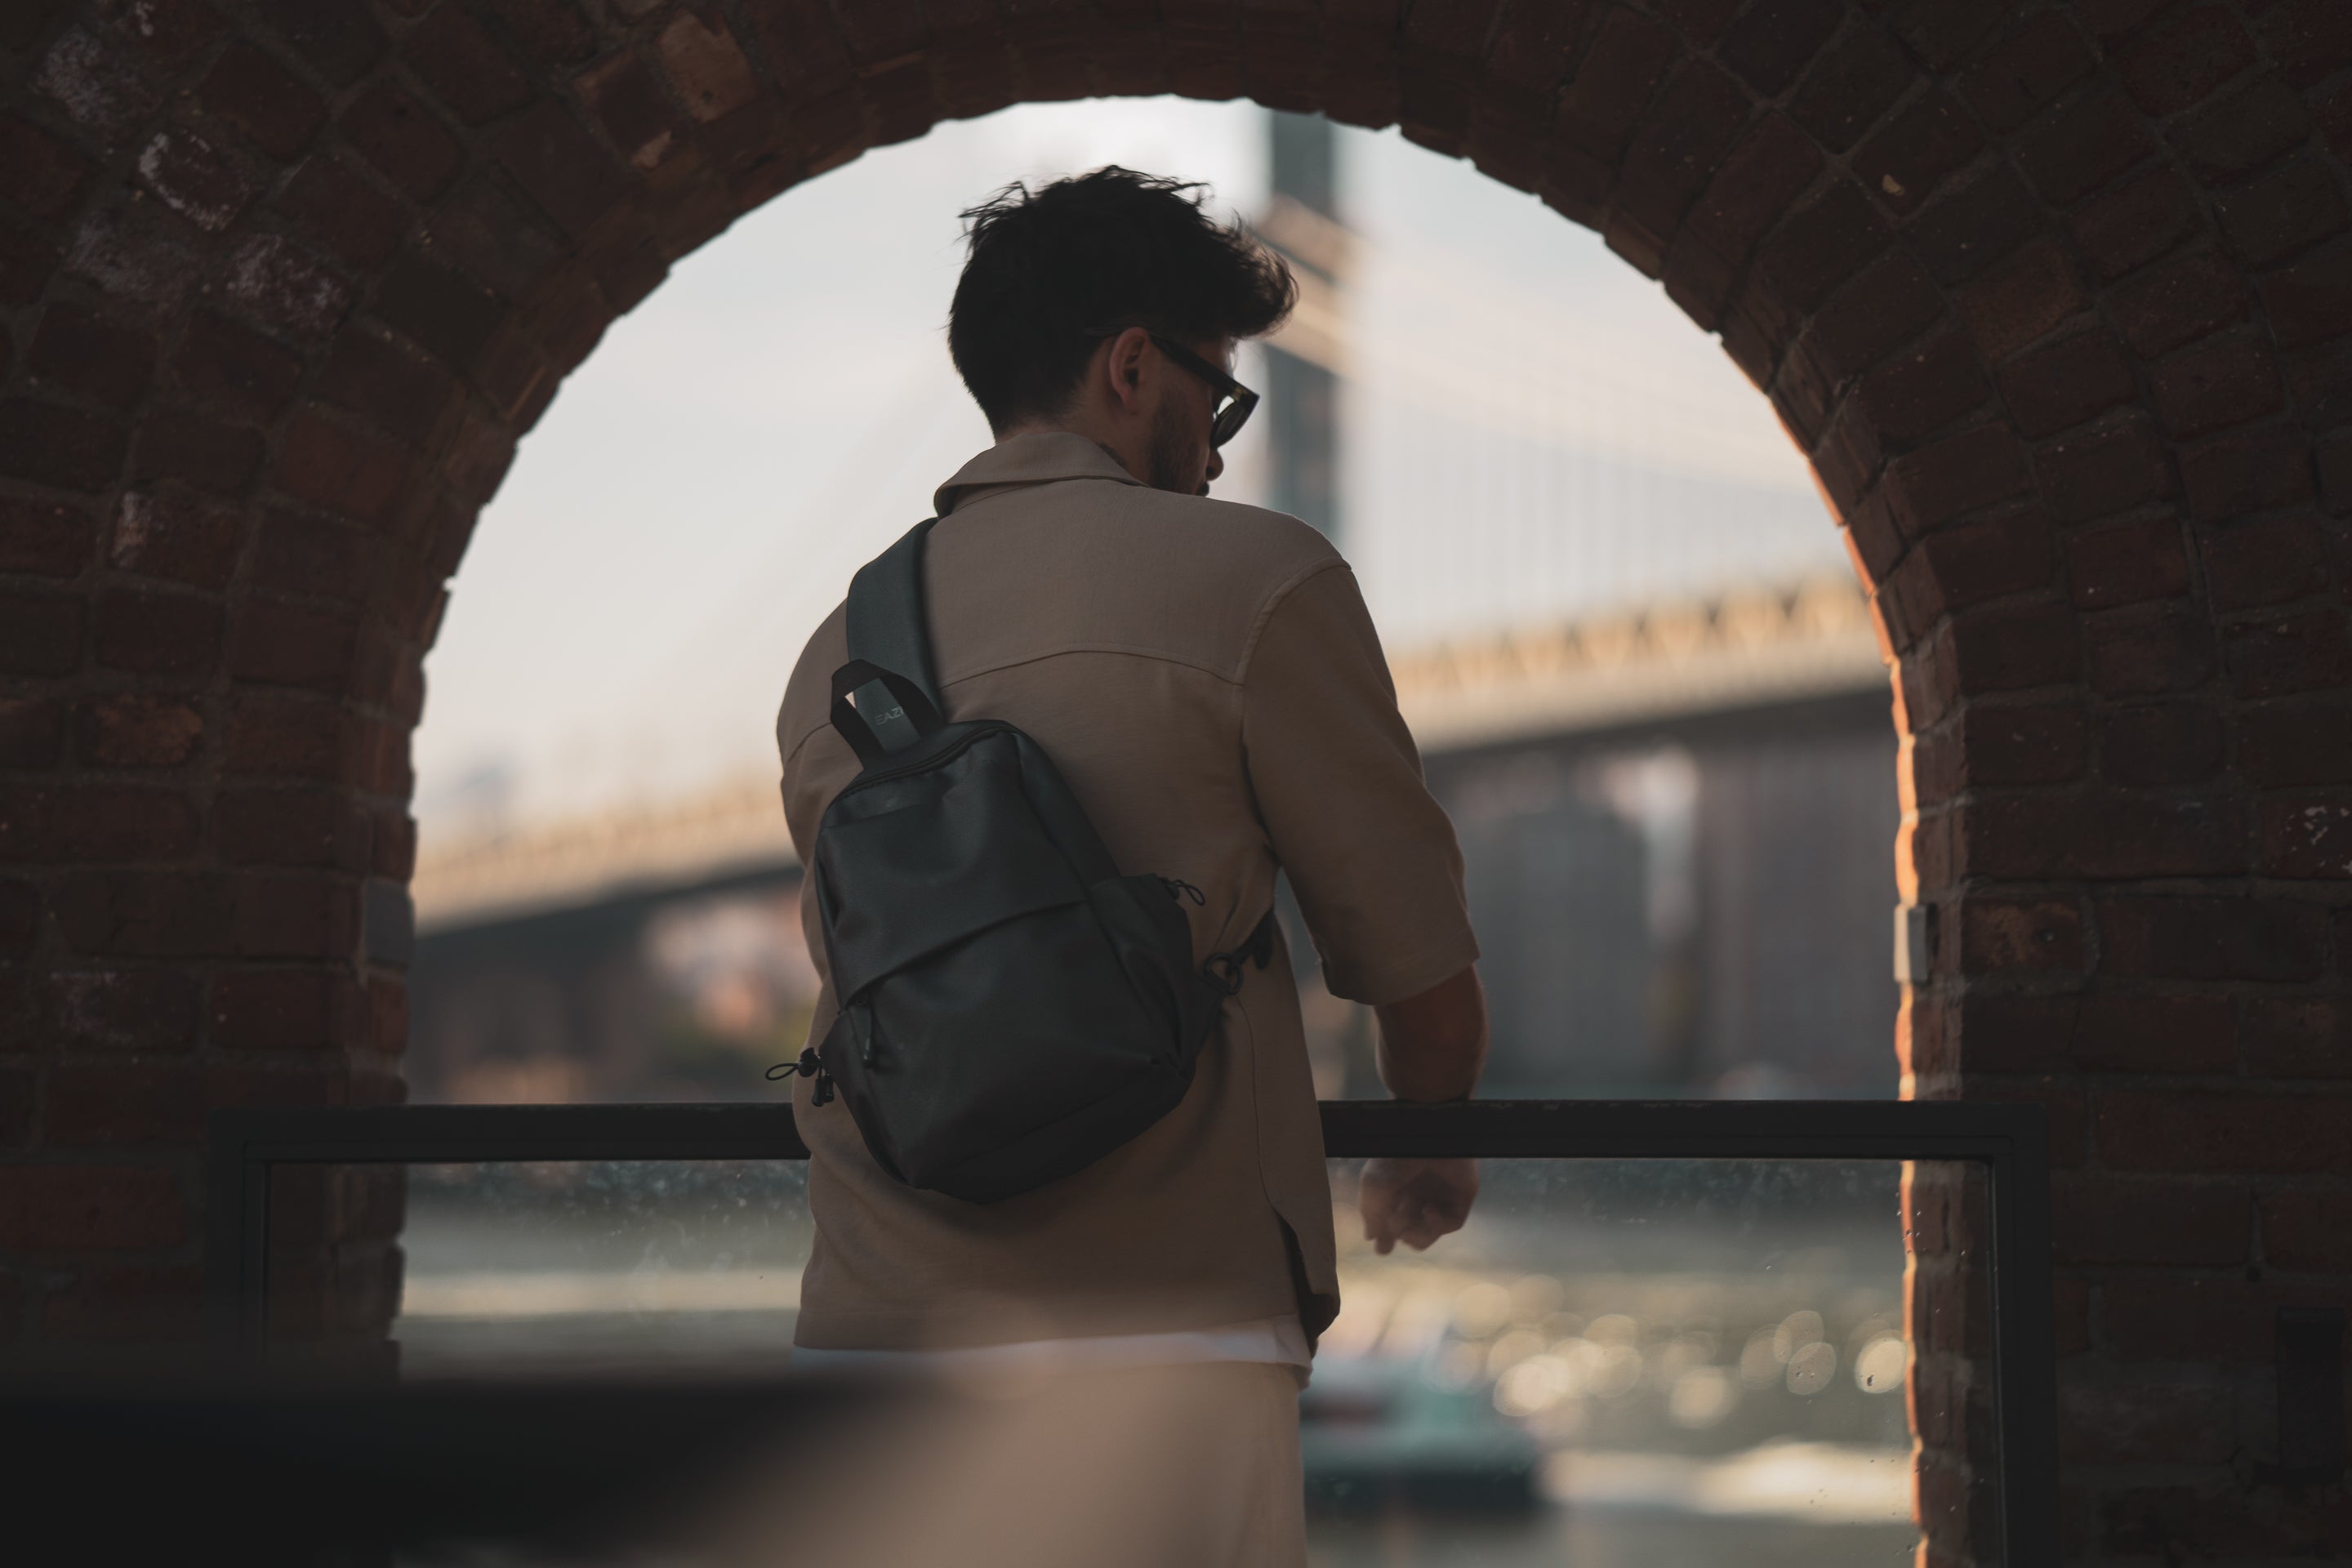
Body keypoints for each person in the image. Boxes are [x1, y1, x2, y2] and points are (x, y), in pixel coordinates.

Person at [771, 167, 1487, 1566]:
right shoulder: (1259, 579)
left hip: (873, 1334)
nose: (1218, 452)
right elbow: (1416, 962)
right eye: (1216, 401)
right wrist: (1430, 1140)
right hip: (1171, 1331)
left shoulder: (834, 652)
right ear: (1130, 366)